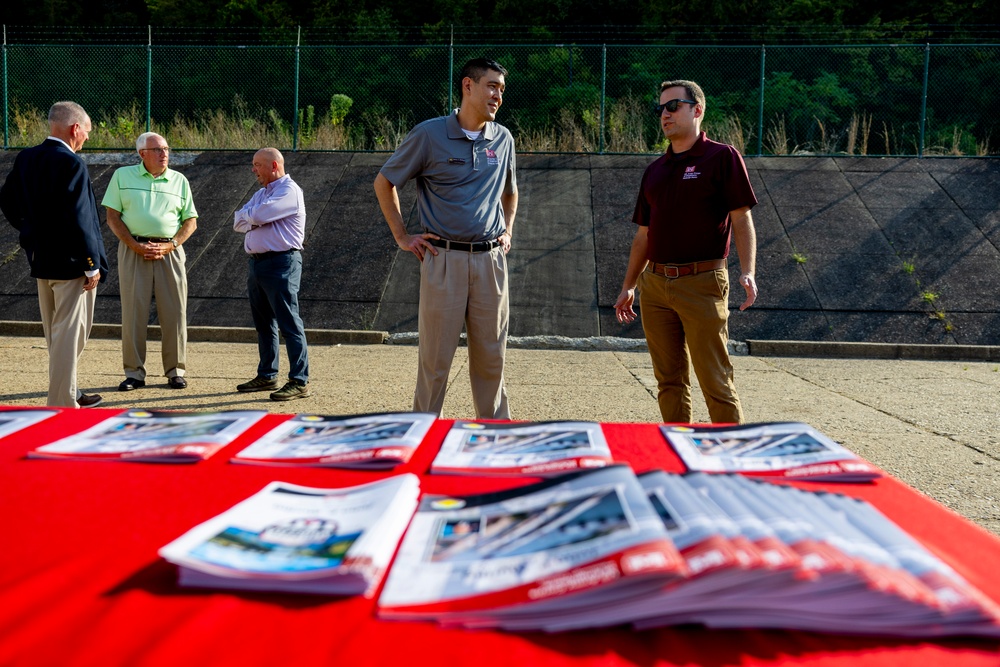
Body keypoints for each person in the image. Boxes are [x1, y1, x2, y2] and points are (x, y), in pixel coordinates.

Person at [374, 57, 518, 419]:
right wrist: (402, 236)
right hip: (443, 259)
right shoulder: (429, 134)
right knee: (435, 362)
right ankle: (422, 433)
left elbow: (510, 191)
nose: (498, 95)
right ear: (468, 86)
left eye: (501, 89)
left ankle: (496, 435)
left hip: (490, 261)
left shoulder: (502, 139)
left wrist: (508, 230)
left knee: (492, 358)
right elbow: (384, 182)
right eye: (491, 86)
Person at [614, 79, 758, 424]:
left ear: (698, 110)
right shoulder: (654, 171)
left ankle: (729, 460)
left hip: (702, 282)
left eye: (673, 106)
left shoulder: (722, 157)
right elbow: (643, 236)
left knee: (715, 380)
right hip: (655, 287)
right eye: (660, 108)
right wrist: (629, 285)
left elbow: (742, 218)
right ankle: (679, 454)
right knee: (669, 381)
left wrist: (748, 270)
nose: (665, 114)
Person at [0, 101, 109, 408]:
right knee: (69, 337)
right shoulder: (71, 163)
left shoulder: (27, 157)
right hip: (73, 265)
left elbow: (7, 201)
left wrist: (30, 233)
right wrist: (91, 264)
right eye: (86, 131)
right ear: (75, 128)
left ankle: (70, 391)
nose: (86, 138)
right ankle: (62, 404)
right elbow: (81, 218)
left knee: (57, 335)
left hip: (41, 260)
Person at [102, 132, 197, 391]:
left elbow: (191, 221)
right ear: (142, 153)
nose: (164, 153)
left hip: (170, 251)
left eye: (166, 148)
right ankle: (134, 373)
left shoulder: (179, 180)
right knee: (133, 313)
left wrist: (171, 244)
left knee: (175, 312)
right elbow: (112, 216)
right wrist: (135, 245)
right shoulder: (122, 176)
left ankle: (175, 371)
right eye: (157, 149)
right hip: (134, 250)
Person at [233, 147, 310, 402]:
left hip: (281, 263)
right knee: (264, 323)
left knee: (289, 323)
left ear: (274, 166)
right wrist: (254, 218)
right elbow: (238, 222)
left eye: (257, 165)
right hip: (257, 264)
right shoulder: (261, 193)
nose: (253, 170)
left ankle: (299, 381)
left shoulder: (290, 191)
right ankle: (267, 374)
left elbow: (255, 215)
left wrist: (253, 218)